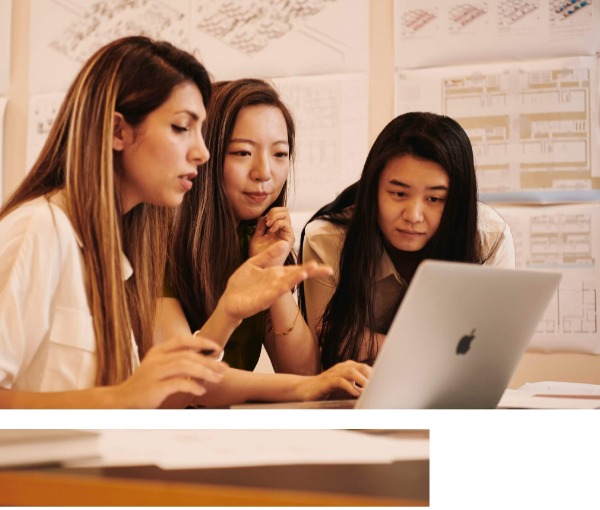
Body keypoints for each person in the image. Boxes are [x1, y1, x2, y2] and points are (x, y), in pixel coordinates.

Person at [0, 37, 331, 408]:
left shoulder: (118, 250)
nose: (202, 152)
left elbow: (169, 397)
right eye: (181, 128)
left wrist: (229, 311)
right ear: (117, 132)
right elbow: (130, 402)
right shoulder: (38, 230)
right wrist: (118, 399)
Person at [155, 78, 370, 407]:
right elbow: (181, 382)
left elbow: (302, 371)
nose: (264, 172)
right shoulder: (159, 241)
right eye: (242, 152)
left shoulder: (253, 236)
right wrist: (300, 389)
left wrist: (272, 267)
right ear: (202, 154)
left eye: (280, 154)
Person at [300, 111, 516, 370]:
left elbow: (487, 360)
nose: (413, 216)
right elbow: (329, 356)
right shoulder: (327, 240)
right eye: (399, 193)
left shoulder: (489, 238)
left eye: (434, 199)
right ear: (373, 188)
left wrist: (375, 344)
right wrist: (440, 350)